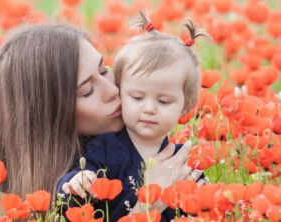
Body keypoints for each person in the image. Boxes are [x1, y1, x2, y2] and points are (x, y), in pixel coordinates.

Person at [0, 23, 193, 206]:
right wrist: (151, 201)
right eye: (87, 90)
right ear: (48, 118)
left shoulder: (134, 139)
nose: (113, 90)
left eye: (104, 70)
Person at [58, 11, 210, 221]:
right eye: (137, 98)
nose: (149, 108)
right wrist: (76, 183)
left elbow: (205, 208)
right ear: (121, 91)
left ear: (186, 106)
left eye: (163, 101)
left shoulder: (184, 160)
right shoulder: (102, 149)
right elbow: (70, 196)